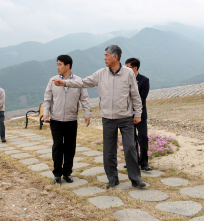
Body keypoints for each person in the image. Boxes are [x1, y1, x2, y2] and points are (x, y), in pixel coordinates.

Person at [52, 45, 147, 189]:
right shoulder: (100, 73)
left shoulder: (128, 73)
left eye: (106, 55)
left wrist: (138, 114)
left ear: (115, 57)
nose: (104, 58)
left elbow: (135, 95)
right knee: (109, 150)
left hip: (126, 117)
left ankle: (135, 179)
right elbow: (83, 82)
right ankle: (112, 179)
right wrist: (65, 83)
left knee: (130, 147)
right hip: (108, 118)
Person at [43, 55, 91, 184]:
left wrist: (87, 114)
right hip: (56, 119)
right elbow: (47, 98)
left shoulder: (78, 81)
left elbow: (84, 99)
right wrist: (45, 113)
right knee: (58, 146)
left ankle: (67, 173)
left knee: (70, 147)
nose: (57, 67)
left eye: (60, 64)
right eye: (57, 64)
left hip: (71, 119)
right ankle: (57, 174)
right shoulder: (52, 80)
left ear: (67, 66)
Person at [125, 58, 153, 171]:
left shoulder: (144, 80)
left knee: (143, 138)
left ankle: (144, 163)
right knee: (131, 140)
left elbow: (142, 98)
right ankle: (133, 161)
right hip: (127, 114)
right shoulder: (124, 80)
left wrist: (136, 110)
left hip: (140, 114)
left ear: (135, 68)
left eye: (128, 67)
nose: (125, 69)